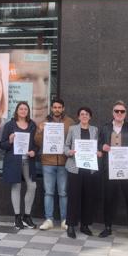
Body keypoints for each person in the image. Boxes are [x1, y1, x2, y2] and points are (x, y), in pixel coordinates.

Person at [98, 100, 128, 242]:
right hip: (109, 170)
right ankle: (108, 227)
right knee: (108, 200)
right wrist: (102, 147)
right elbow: (98, 144)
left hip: (127, 172)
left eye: (122, 111)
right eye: (117, 111)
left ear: (125, 113)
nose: (119, 113)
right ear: (113, 112)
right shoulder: (105, 128)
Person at [35, 98, 74, 231]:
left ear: (63, 108)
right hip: (48, 162)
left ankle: (64, 220)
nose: (57, 109)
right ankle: (49, 219)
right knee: (49, 192)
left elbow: (74, 140)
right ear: (51, 108)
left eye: (59, 107)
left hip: (64, 162)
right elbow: (38, 142)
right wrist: (40, 131)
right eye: (55, 107)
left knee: (63, 192)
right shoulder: (44, 123)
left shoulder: (70, 122)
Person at [64, 106, 102, 239]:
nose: (84, 116)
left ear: (90, 117)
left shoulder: (95, 130)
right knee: (73, 197)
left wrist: (98, 152)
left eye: (87, 114)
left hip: (89, 168)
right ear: (78, 117)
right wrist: (69, 152)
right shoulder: (73, 129)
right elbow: (66, 145)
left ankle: (85, 225)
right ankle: (70, 226)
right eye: (82, 114)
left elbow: (97, 147)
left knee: (88, 198)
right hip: (75, 168)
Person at [0, 101, 38, 230]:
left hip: (28, 161)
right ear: (16, 111)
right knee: (16, 186)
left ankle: (27, 216)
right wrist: (10, 141)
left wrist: (34, 151)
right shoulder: (9, 125)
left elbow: (36, 144)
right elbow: (2, 145)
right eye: (21, 109)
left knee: (32, 186)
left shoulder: (32, 125)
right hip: (14, 161)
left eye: (25, 109)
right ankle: (17, 217)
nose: (23, 111)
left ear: (28, 111)